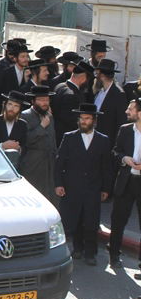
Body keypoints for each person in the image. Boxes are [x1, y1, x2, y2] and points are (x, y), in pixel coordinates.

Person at [54, 103, 113, 265]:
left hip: (93, 187)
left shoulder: (103, 140)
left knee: (91, 221)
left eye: (87, 118)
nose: (83, 121)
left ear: (94, 121)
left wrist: (106, 188)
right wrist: (59, 184)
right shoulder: (69, 137)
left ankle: (91, 253)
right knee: (75, 219)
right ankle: (77, 248)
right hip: (72, 186)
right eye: (81, 118)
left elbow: (106, 167)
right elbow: (59, 163)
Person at [108, 98, 141, 269]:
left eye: (131, 109)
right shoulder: (125, 130)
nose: (127, 111)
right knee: (118, 220)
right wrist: (124, 159)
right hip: (126, 182)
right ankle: (114, 255)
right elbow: (115, 151)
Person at [19, 85, 58, 204]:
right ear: (33, 101)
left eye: (46, 100)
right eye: (41, 100)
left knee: (51, 197)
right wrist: (41, 127)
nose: (44, 103)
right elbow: (25, 140)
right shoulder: (25, 115)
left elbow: (52, 140)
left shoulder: (49, 116)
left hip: (50, 163)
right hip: (33, 163)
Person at [0, 91, 28, 161]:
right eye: (10, 104)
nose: (12, 108)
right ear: (5, 105)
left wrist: (18, 148)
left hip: (13, 164)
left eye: (16, 106)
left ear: (20, 109)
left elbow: (25, 147)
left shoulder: (23, 125)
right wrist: (2, 145)